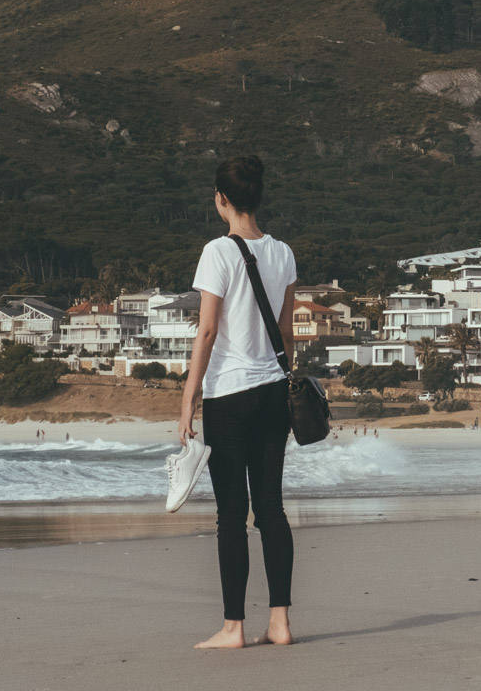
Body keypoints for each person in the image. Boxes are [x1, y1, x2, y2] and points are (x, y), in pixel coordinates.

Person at [176, 155, 297, 651]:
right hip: (273, 392)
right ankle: (281, 623)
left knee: (232, 515)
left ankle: (233, 629)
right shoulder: (284, 253)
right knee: (271, 508)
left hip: (229, 395)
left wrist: (188, 398)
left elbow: (206, 331)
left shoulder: (217, 252)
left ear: (221, 199)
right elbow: (287, 334)